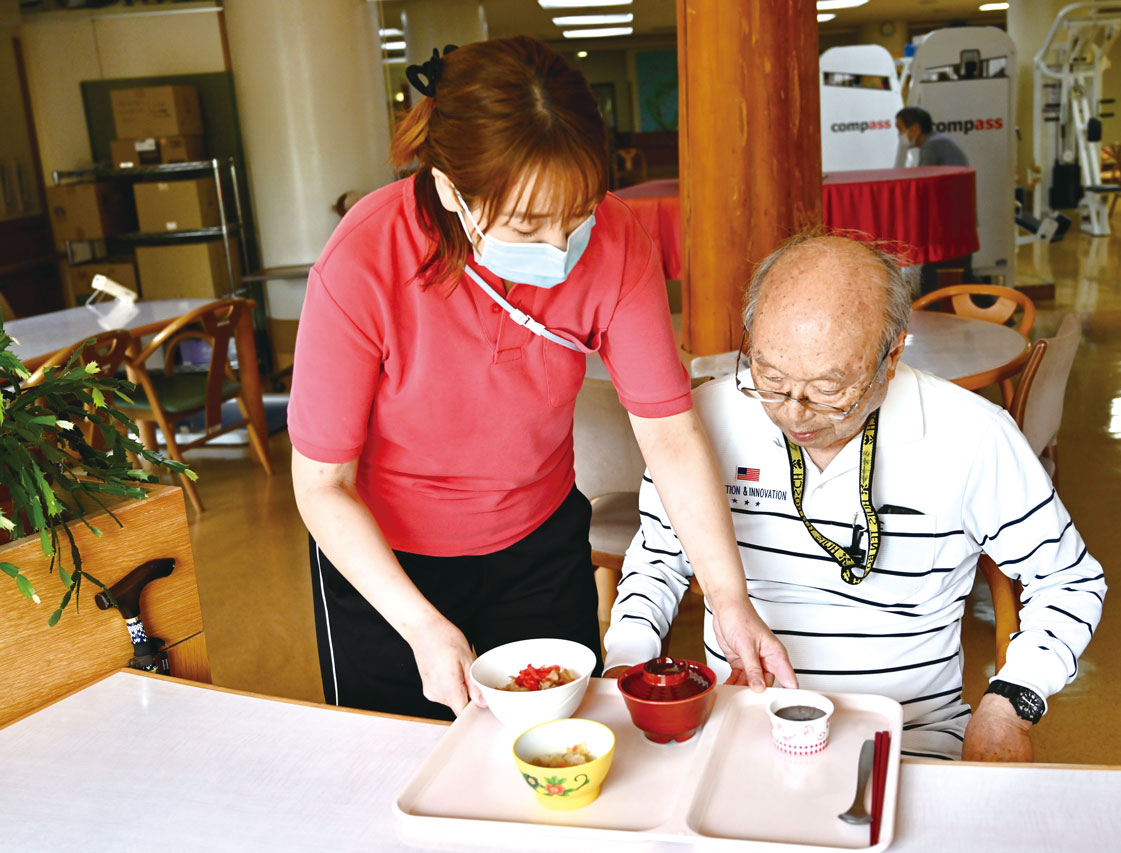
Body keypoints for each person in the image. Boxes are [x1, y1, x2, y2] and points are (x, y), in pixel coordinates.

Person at [288, 36, 796, 722]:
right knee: (398, 773)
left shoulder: (617, 243)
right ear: (449, 189)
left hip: (539, 547)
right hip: (388, 567)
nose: (561, 249)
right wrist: (419, 623)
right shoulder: (365, 259)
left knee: (557, 758)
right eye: (528, 225)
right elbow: (323, 485)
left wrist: (729, 599)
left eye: (578, 212)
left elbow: (670, 435)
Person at [602, 230, 1105, 761]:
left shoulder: (972, 435)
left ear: (891, 358)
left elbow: (1070, 582)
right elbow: (657, 560)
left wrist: (1012, 701)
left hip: (910, 732)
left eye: (827, 389)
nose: (794, 412)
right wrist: (624, 665)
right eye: (769, 377)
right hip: (741, 723)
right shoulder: (703, 423)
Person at [895, 106, 969, 168]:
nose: (899, 134)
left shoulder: (931, 146)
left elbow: (923, 179)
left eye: (900, 128)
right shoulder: (936, 139)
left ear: (915, 129)